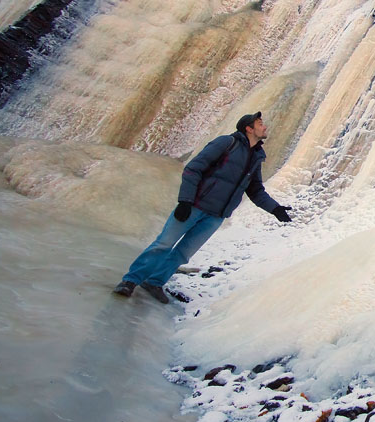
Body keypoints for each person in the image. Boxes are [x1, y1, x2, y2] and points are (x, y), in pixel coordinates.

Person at [113, 111, 292, 303]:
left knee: (184, 253)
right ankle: (130, 281)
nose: (264, 126)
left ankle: (155, 282)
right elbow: (193, 168)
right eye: (260, 123)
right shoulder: (226, 143)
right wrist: (185, 201)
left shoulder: (257, 156)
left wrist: (275, 209)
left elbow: (255, 190)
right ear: (248, 128)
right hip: (195, 206)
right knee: (163, 244)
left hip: (216, 216)